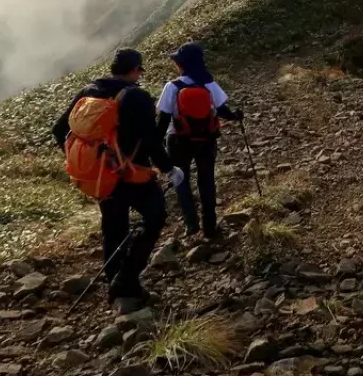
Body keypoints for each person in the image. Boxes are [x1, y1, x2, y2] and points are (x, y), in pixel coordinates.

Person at [52, 48, 184, 304]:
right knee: (155, 217)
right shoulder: (136, 96)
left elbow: (59, 130)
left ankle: (116, 288)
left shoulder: (89, 91)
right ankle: (126, 280)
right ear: (134, 70)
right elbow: (150, 140)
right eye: (139, 70)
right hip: (132, 174)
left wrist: (87, 160)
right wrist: (169, 169)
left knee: (114, 229)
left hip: (101, 177)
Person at [157, 42, 242, 239]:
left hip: (177, 140)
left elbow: (162, 121)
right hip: (206, 139)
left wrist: (156, 146)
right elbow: (223, 111)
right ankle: (210, 227)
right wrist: (236, 116)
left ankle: (191, 224)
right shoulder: (209, 83)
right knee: (207, 181)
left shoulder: (172, 86)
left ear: (182, 64)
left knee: (181, 180)